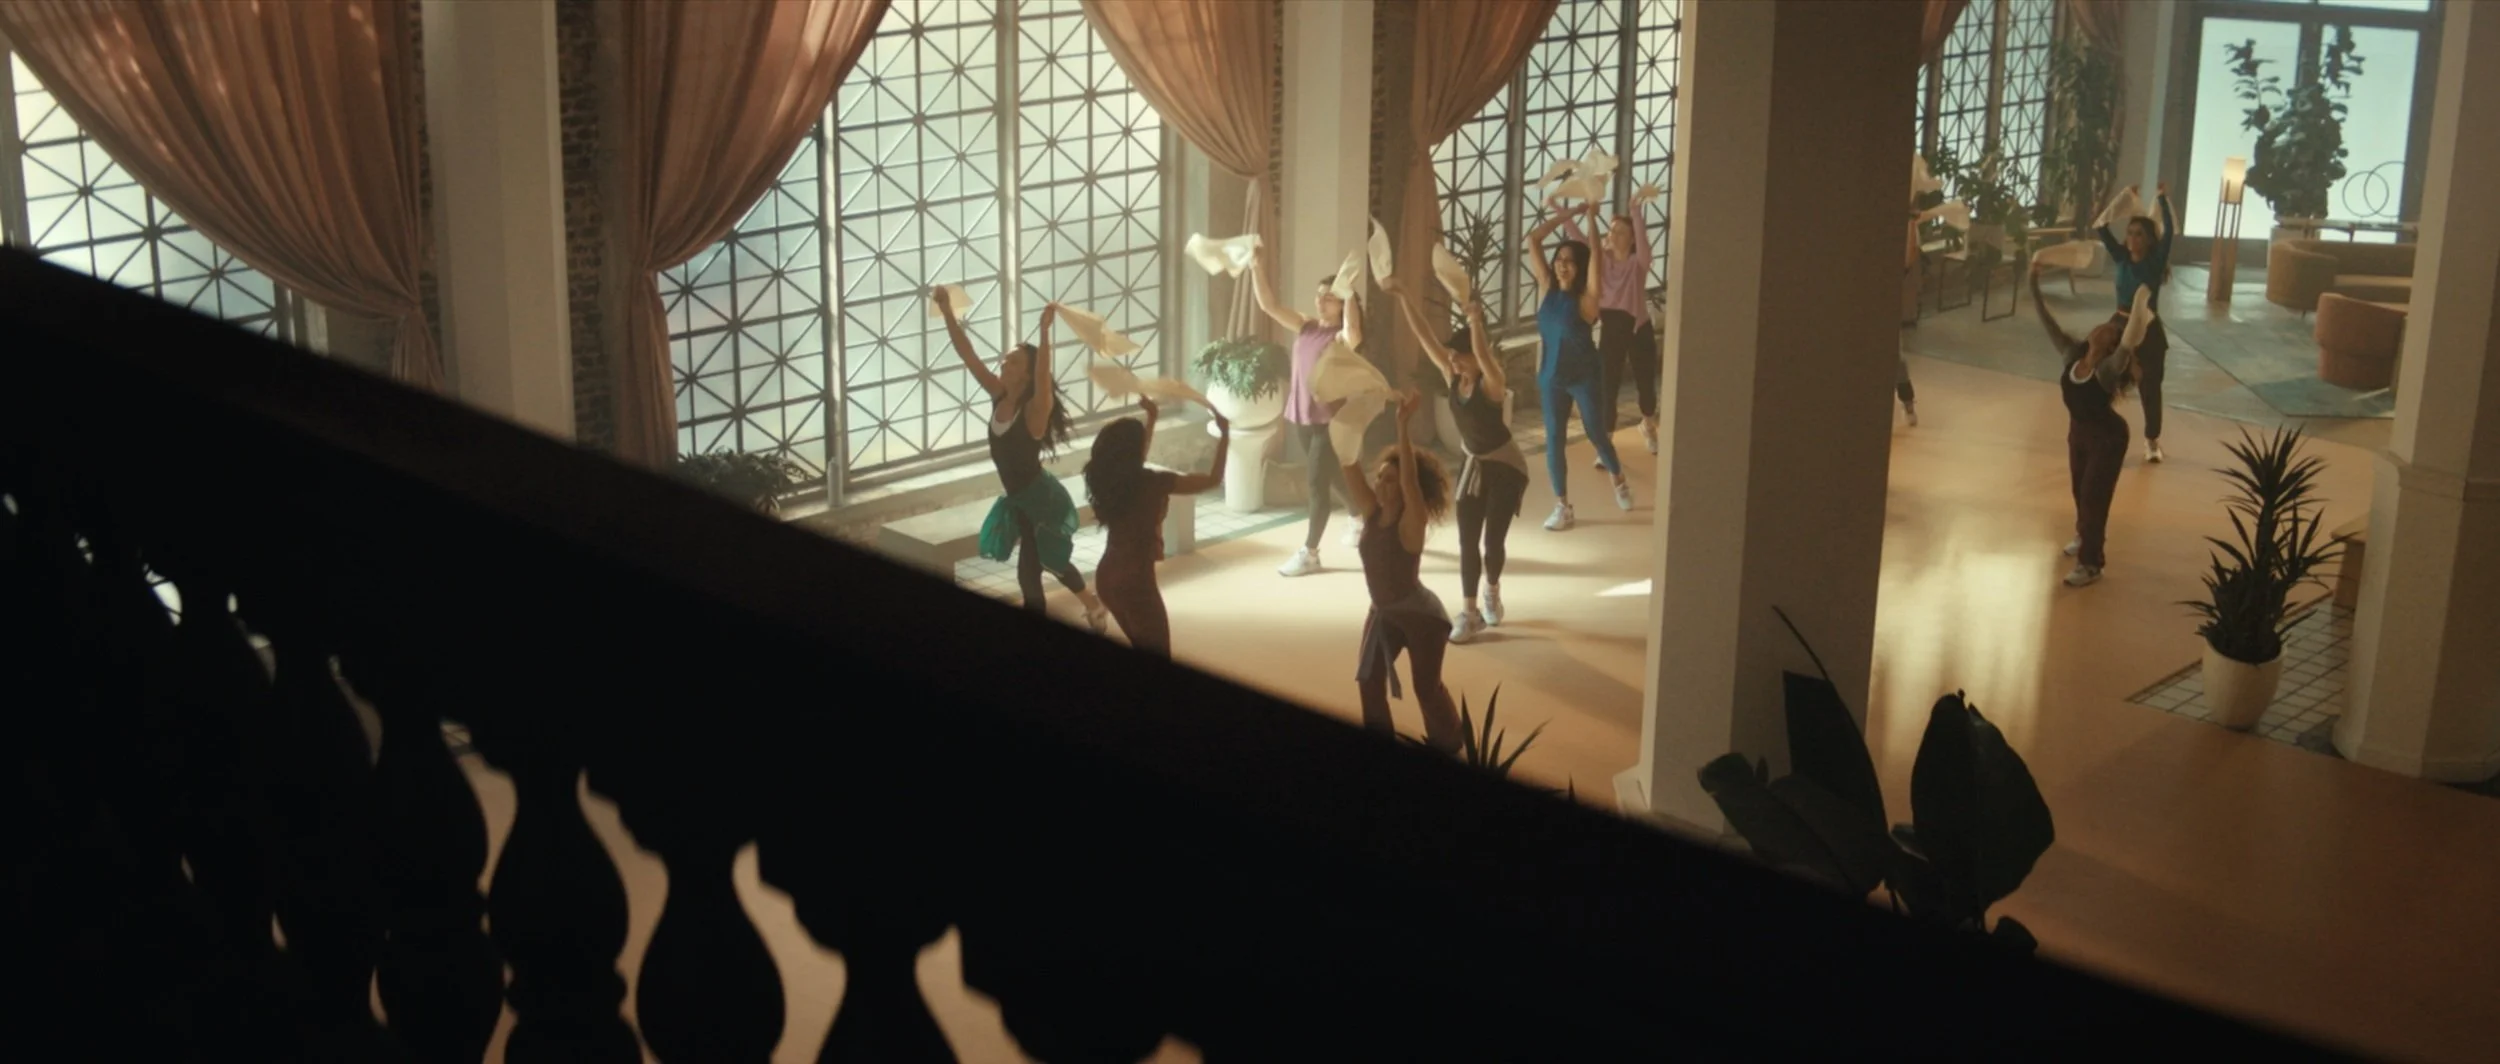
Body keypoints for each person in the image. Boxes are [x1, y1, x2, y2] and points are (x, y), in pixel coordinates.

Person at [935, 286, 1109, 627]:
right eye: (1006, 358)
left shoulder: (1034, 411)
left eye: (1013, 361)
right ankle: (1093, 604)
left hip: (1041, 502)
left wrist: (1044, 333)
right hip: (1019, 500)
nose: (1004, 362)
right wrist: (946, 312)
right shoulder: (999, 394)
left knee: (1032, 572)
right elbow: (967, 354)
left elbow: (1043, 378)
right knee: (1048, 562)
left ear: (1027, 374)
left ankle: (1092, 605)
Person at [1382, 271, 1525, 644]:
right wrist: (1403, 294)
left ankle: (1492, 589)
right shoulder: (1451, 375)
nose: (1454, 362)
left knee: (1492, 543)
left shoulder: (1492, 383)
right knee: (1467, 540)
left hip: (1505, 468)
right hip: (1472, 465)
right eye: (1454, 358)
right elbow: (1424, 336)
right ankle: (1470, 612)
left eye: (1461, 358)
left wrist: (1475, 321)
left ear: (1476, 358)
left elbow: (1484, 356)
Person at [1344, 389, 1462, 752]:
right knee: (1368, 680)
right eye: (1380, 477)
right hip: (1383, 612)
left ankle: (1450, 745)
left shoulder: (1412, 523)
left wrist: (1403, 426)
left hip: (1421, 617)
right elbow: (1348, 465)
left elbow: (1411, 484)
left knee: (1426, 688)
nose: (1380, 484)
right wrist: (1345, 421)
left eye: (1389, 479)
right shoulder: (1372, 511)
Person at [1252, 242, 1366, 576]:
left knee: (1316, 484)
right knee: (1331, 476)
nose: (1319, 301)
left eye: (1328, 297)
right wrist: (1256, 266)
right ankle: (1362, 517)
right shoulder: (1307, 325)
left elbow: (1354, 330)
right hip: (1302, 416)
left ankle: (1310, 553)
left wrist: (1348, 293)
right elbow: (1269, 305)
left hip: (1330, 421)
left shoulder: (1342, 338)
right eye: (1318, 296)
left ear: (1341, 303)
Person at [1084, 397, 1229, 657]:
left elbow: (1136, 456)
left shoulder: (1109, 480)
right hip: (1136, 581)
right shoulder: (1154, 482)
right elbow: (1212, 480)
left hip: (1106, 576)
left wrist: (1152, 418)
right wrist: (1225, 436)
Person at [2030, 261, 2139, 589]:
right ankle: (2084, 534)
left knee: (2094, 497)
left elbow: (2128, 343)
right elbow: (2047, 321)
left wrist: (2140, 305)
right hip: (2079, 433)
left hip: (2108, 439)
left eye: (2112, 331)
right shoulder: (2072, 356)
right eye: (2104, 325)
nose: (2105, 327)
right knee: (2080, 490)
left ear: (2110, 346)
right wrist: (2033, 283)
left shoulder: (2106, 370)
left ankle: (2091, 563)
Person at [1527, 201, 1632, 531]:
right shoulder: (1546, 286)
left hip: (1584, 375)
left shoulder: (1588, 298)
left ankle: (1618, 477)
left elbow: (1596, 257)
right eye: (1559, 259)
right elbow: (1533, 239)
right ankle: (1562, 506)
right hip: (1551, 377)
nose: (1562, 265)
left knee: (1595, 432)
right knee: (1554, 439)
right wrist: (1570, 212)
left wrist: (1590, 218)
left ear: (1581, 267)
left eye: (1570, 262)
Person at [1561, 206, 1661, 453]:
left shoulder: (1637, 263)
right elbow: (1579, 240)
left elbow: (1644, 247)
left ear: (1632, 239)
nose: (1613, 235)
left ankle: (1648, 425)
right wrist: (1562, 210)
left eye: (1621, 232)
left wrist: (1635, 211)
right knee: (1608, 386)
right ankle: (1606, 441)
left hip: (1638, 328)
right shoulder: (1601, 260)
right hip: (1612, 328)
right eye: (1612, 230)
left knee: (1646, 383)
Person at [2095, 182, 2174, 463]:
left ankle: (2152, 440)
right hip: (2119, 324)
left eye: (2139, 234)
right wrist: (2125, 198)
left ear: (2149, 239)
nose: (2132, 238)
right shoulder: (2121, 257)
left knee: (2150, 387)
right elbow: (2101, 226)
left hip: (2147, 328)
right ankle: (2099, 430)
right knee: (2103, 378)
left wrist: (2161, 199)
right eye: (2130, 233)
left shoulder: (2154, 262)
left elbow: (2169, 233)